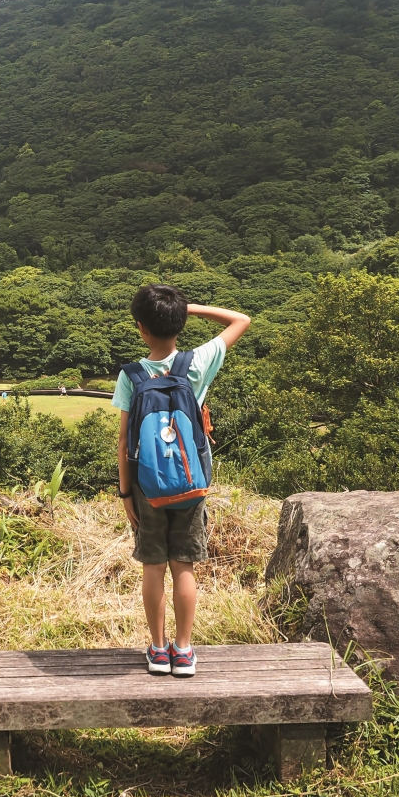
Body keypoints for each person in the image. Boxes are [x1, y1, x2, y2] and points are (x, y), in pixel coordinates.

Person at [114, 285, 250, 678]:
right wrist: (189, 308)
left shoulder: (132, 375)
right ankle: (184, 651)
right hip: (191, 482)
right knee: (184, 567)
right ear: (179, 324)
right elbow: (241, 320)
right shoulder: (197, 363)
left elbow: (124, 440)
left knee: (153, 567)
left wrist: (125, 493)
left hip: (146, 485)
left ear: (141, 328)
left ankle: (158, 651)